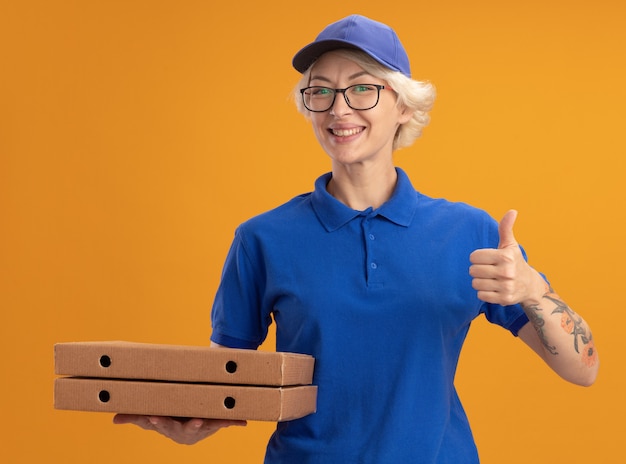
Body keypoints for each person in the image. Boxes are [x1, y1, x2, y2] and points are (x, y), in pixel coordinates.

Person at [114, 14, 599, 462]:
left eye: (361, 89)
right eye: (320, 92)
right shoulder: (262, 238)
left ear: (404, 107)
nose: (339, 109)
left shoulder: (471, 233)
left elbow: (584, 369)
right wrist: (191, 419)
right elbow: (229, 381)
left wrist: (533, 289)